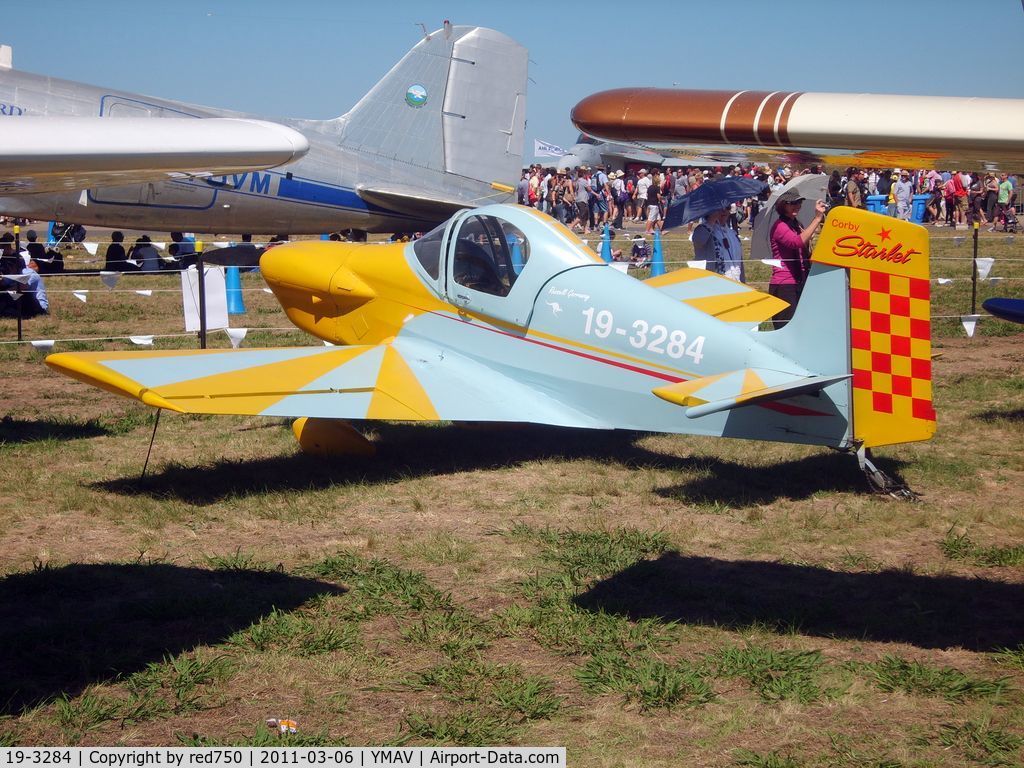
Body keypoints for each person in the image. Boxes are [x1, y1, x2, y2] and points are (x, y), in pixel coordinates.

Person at [768, 190, 826, 329]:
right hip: (784, 284)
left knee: (801, 325)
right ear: (782, 205)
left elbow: (803, 246)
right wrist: (817, 218)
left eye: (799, 202)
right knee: (787, 327)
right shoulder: (780, 226)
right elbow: (796, 243)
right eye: (791, 203)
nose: (797, 205)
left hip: (799, 280)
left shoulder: (795, 224)